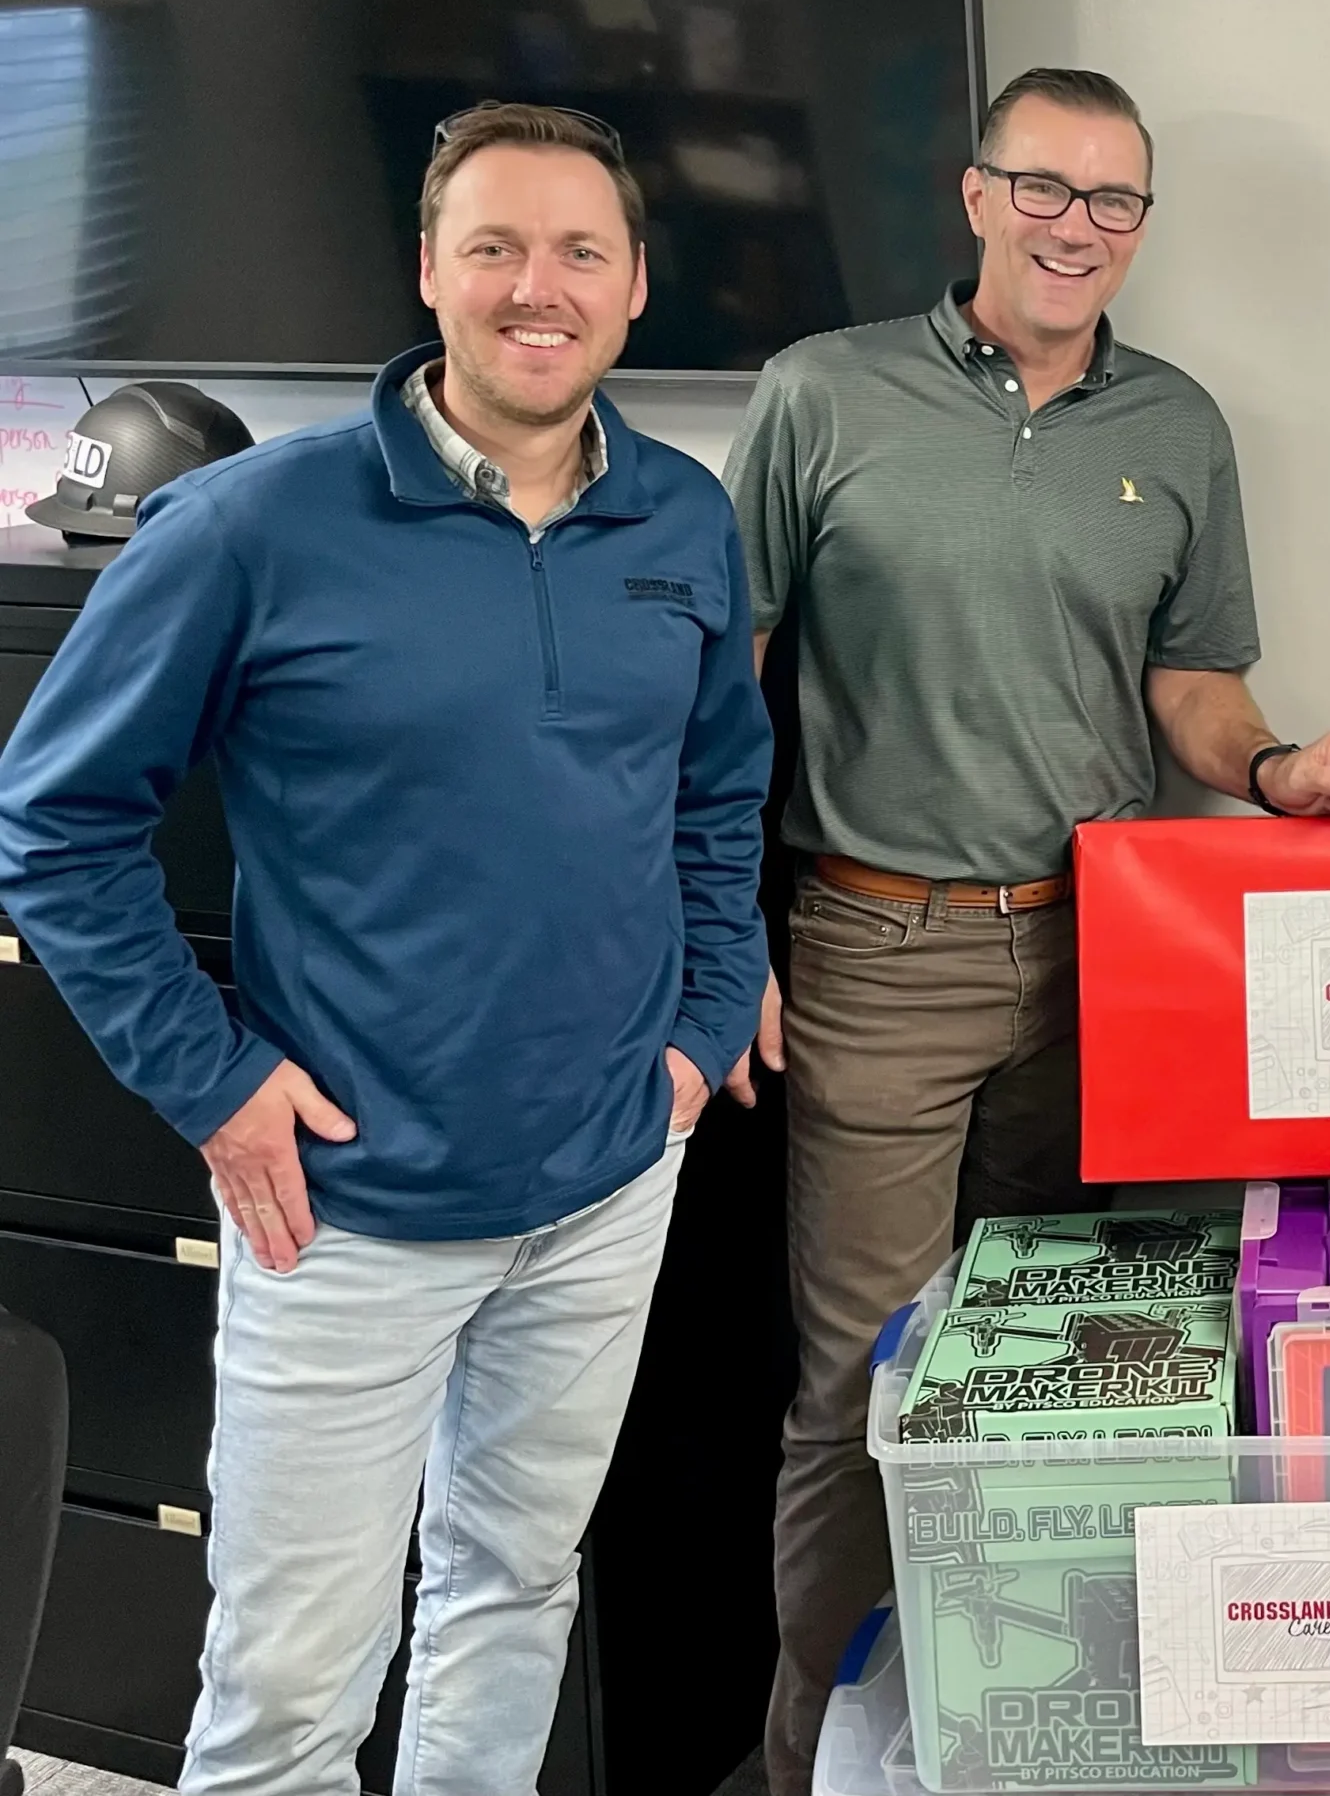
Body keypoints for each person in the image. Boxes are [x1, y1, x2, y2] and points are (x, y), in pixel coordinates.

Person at [0, 102, 776, 1794]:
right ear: (429, 271)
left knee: (513, 1594)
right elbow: (51, 823)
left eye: (579, 249)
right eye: (493, 245)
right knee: (287, 1693)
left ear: (636, 284)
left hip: (604, 1185)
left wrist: (704, 1026)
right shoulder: (252, 527)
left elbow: (720, 793)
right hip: (342, 1216)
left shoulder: (685, 523)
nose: (536, 286)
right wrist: (214, 1084)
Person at [726, 64, 1330, 1792]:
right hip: (873, 948)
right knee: (865, 1383)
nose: (1076, 228)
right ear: (975, 195)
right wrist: (720, 934)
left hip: (1110, 956)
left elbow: (1191, 683)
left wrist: (1273, 768)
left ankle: (1035, 1738)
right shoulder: (823, 395)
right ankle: (822, 1752)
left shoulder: (1176, 428)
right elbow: (721, 682)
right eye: (1046, 188)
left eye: (1113, 203)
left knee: (1085, 1376)